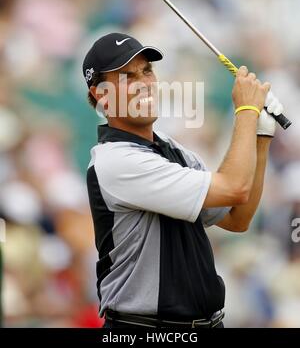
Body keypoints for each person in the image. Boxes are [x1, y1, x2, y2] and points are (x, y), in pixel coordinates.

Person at [83, 32, 283, 328]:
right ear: (101, 95)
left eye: (147, 71)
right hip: (144, 328)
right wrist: (246, 111)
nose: (144, 84)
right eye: (127, 77)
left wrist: (261, 138)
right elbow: (235, 187)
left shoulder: (172, 150)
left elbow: (237, 219)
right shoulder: (115, 161)